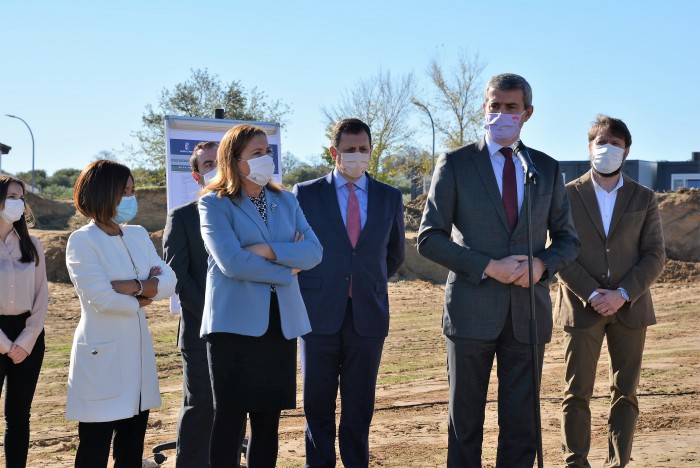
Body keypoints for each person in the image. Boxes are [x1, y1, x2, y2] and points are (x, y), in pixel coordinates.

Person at [417, 73, 579, 466]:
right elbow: (429, 237)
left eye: (511, 107)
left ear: (527, 113)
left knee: (522, 423)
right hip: (471, 312)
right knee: (465, 420)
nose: (502, 114)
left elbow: (568, 239)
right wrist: (489, 266)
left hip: (527, 314)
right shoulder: (455, 163)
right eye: (495, 106)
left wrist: (542, 264)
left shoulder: (544, 168)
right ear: (484, 108)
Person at [198, 124, 322, 468]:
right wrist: (288, 268)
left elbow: (314, 252)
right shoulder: (215, 203)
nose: (265, 159)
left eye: (267, 152)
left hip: (279, 324)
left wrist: (267, 250)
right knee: (230, 422)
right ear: (234, 160)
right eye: (256, 153)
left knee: (267, 424)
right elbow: (232, 262)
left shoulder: (285, 199)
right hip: (233, 327)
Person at [293, 118, 406, 467]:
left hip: (367, 315)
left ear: (371, 151)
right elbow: (295, 246)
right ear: (334, 152)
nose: (357, 156)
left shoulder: (390, 196)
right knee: (317, 405)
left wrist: (363, 282)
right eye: (349, 150)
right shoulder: (306, 194)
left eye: (363, 149)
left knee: (359, 407)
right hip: (317, 313)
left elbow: (394, 254)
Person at [555, 115, 665, 467]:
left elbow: (654, 254)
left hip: (630, 310)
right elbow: (559, 252)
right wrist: (592, 293)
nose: (607, 149)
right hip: (581, 307)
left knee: (626, 392)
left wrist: (621, 293)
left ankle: (619, 462)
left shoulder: (644, 198)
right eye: (600, 142)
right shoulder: (567, 195)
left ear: (626, 151)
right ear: (589, 148)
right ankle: (576, 462)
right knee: (576, 393)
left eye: (614, 144)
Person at [65, 160, 177, 468]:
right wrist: (143, 297)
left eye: (132, 191)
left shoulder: (138, 235)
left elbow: (169, 280)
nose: (130, 198)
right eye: (123, 191)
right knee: (95, 445)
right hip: (102, 356)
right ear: (101, 194)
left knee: (131, 444)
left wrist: (135, 286)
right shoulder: (82, 241)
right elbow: (102, 298)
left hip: (137, 355)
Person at [163, 141, 227, 467]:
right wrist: (214, 317)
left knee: (231, 410)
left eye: (219, 162)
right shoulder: (182, 218)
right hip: (201, 332)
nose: (214, 169)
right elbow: (178, 278)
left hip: (243, 332)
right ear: (196, 174)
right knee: (201, 406)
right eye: (206, 165)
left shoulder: (244, 213)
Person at [0, 175, 48, 468]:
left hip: (28, 337)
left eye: (21, 198)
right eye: (11, 197)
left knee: (18, 416)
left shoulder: (33, 245)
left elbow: (42, 296)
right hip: (1, 337)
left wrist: (28, 338)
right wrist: (5, 344)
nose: (18, 203)